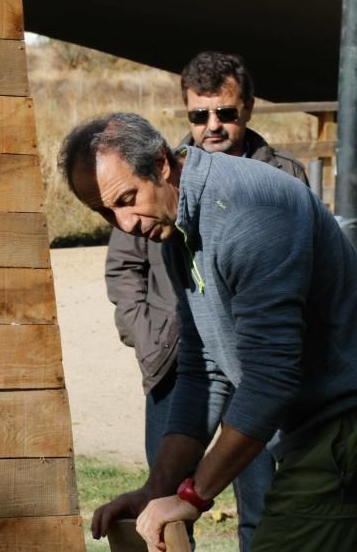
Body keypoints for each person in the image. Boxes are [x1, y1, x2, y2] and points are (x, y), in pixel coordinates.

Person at [59, 112, 357, 551]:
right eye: (104, 212)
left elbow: (270, 379)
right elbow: (202, 370)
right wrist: (156, 488)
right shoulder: (179, 227)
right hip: (312, 437)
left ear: (161, 163)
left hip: (340, 427)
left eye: (126, 198)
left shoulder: (249, 211)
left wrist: (193, 496)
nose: (124, 225)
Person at [103, 52, 305, 550]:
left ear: (249, 109)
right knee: (165, 509)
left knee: (265, 509)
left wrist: (193, 495)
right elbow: (125, 272)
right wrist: (154, 342)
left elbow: (274, 367)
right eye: (199, 116)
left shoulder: (269, 190)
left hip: (273, 391)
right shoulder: (163, 205)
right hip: (179, 366)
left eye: (225, 114)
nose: (212, 126)